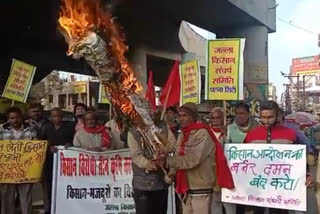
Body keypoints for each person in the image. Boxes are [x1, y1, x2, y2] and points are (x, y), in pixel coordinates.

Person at [157, 103, 234, 214]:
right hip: (187, 188)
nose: (181, 119)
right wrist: (172, 173)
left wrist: (167, 160)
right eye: (180, 115)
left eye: (185, 116)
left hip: (201, 186)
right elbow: (179, 155)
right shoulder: (183, 134)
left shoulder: (202, 134)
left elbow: (193, 159)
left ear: (193, 117)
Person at [244, 101, 313, 214]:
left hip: (281, 187)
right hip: (257, 186)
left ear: (277, 116)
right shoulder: (251, 135)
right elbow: (243, 160)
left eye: (270, 117)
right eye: (263, 117)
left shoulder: (291, 134)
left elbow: (299, 159)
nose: (266, 121)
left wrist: (307, 174)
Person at [127, 110, 175, 214]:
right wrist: (150, 164)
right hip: (143, 185)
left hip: (161, 182)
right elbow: (137, 156)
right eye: (145, 112)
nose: (150, 114)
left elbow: (172, 144)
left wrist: (164, 151)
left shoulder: (163, 126)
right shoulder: (133, 132)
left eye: (151, 111)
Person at [0, 107, 38, 214]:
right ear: (8, 119)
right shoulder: (1, 129)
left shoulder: (31, 129)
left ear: (21, 117)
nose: (14, 120)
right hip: (7, 171)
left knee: (26, 198)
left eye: (17, 117)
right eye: (12, 118)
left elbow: (36, 146)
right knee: (7, 199)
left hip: (25, 170)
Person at [43, 108, 75, 214]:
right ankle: (50, 210)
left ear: (62, 117)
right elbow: (40, 143)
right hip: (49, 163)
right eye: (54, 116)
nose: (57, 118)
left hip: (65, 164)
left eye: (59, 116)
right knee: (50, 188)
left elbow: (74, 142)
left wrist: (70, 145)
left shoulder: (69, 128)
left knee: (65, 187)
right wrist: (48, 147)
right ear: (51, 117)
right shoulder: (46, 128)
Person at [209, 107, 236, 214]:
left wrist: (225, 136)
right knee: (216, 203)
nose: (215, 121)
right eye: (213, 118)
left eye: (218, 118)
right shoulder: (206, 132)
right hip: (213, 173)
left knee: (229, 203)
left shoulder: (230, 131)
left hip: (229, 173)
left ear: (223, 119)